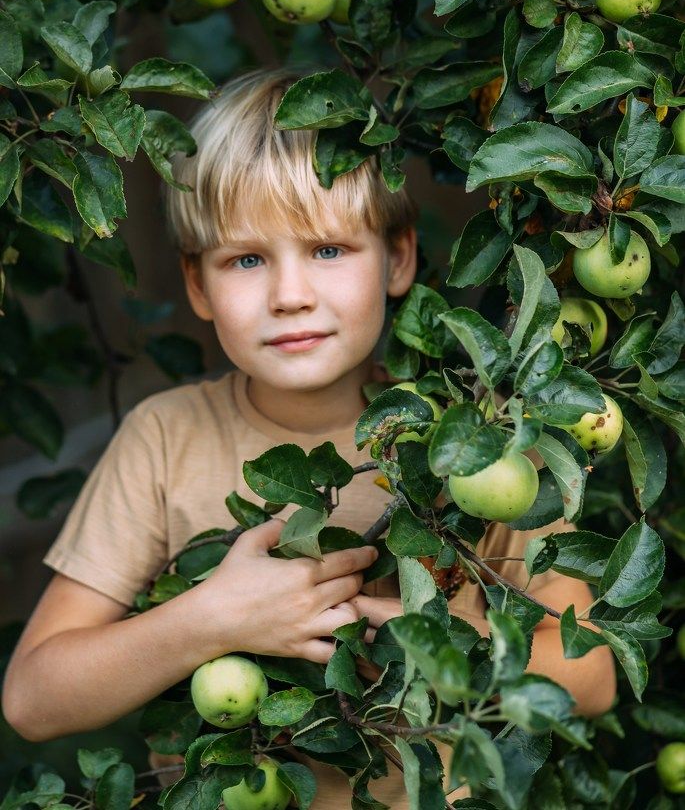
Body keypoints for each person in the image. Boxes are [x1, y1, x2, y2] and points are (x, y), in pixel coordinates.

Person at [2, 66, 617, 806]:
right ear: (197, 285)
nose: (289, 295)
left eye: (327, 250)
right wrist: (207, 622)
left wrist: (448, 656)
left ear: (396, 257)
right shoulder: (165, 440)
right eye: (246, 259)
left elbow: (591, 676)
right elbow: (34, 699)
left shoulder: (476, 443)